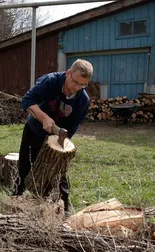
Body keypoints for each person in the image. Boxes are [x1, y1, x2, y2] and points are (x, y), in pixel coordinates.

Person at [12, 59, 93, 213]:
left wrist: (61, 144)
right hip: (34, 130)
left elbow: (73, 126)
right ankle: (15, 204)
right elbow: (27, 101)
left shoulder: (83, 100)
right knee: (24, 168)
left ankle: (65, 214)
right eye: (75, 82)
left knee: (60, 176)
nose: (77, 87)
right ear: (68, 73)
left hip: (57, 140)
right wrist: (43, 118)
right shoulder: (50, 81)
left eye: (82, 85)